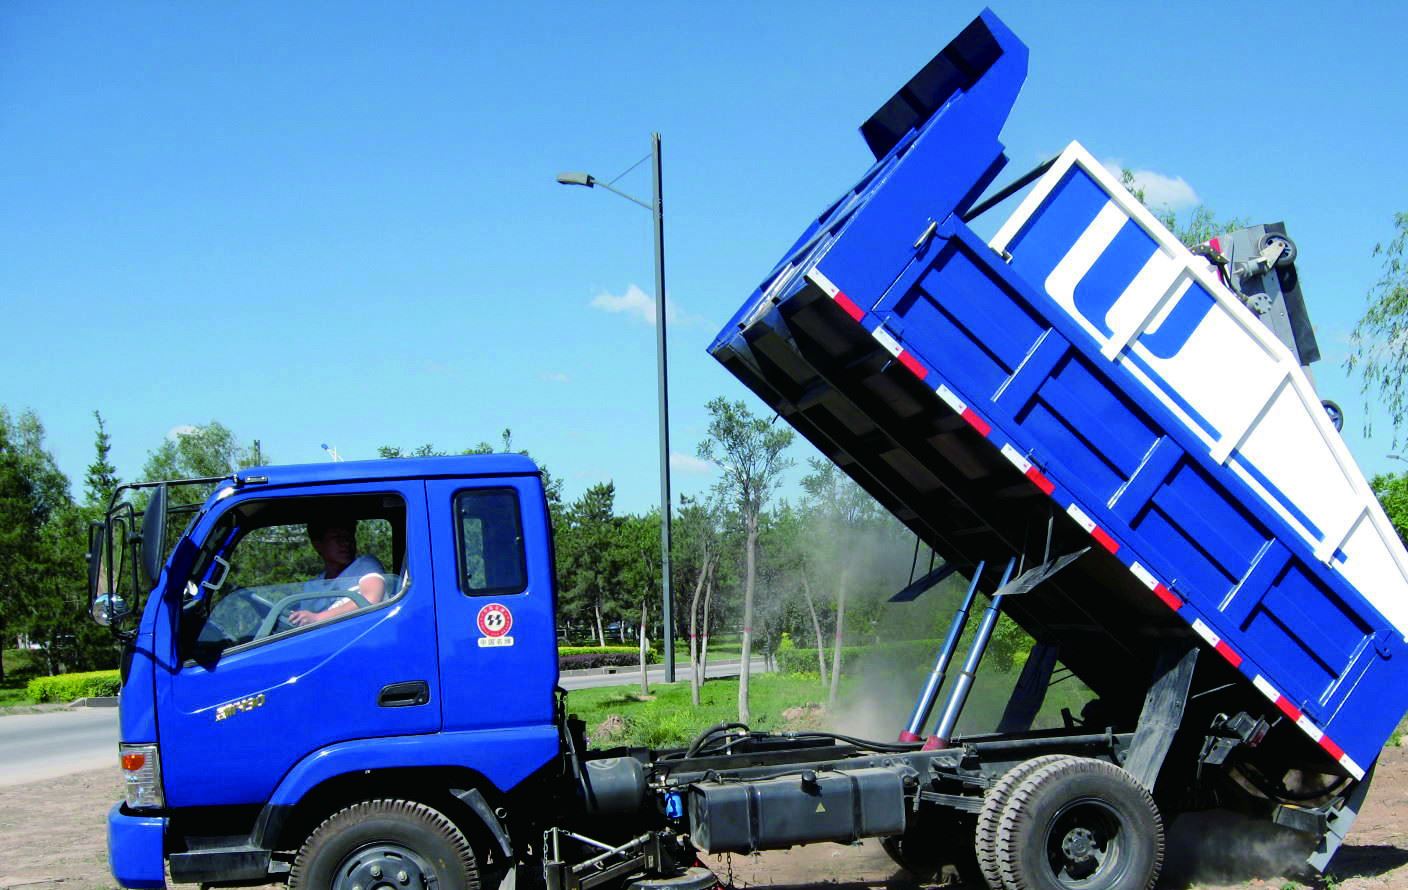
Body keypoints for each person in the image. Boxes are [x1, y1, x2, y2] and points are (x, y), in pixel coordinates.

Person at [288, 517, 388, 626]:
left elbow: (371, 599)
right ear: (318, 545)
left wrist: (318, 618)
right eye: (337, 538)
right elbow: (303, 623)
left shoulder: (365, 565)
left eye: (349, 537)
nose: (346, 543)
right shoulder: (312, 586)